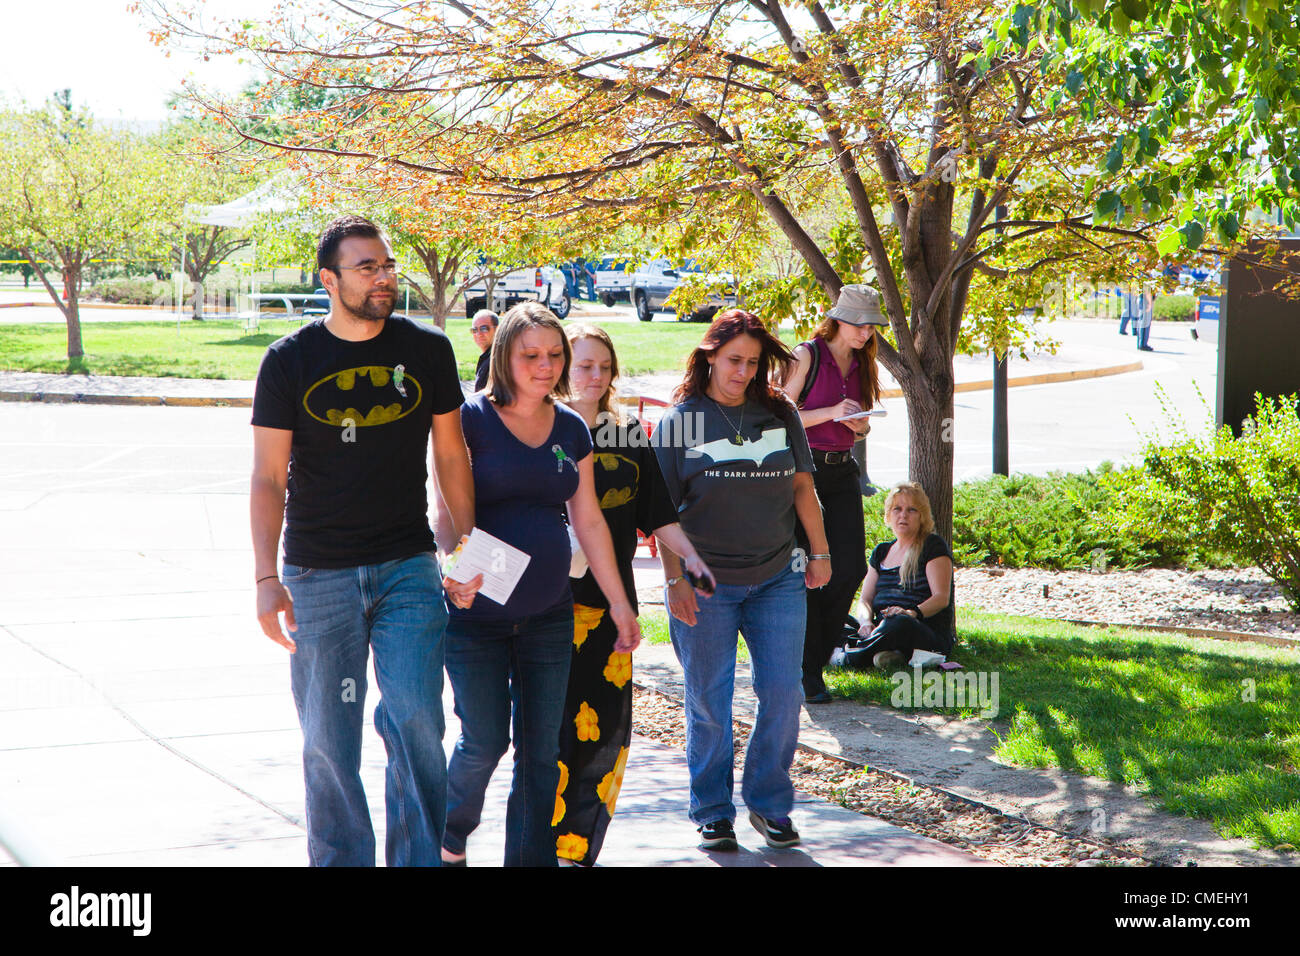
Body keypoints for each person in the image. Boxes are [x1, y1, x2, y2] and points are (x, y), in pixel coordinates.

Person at [251, 214, 482, 866]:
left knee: (417, 719)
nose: (385, 277)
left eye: (387, 265)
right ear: (329, 279)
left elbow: (452, 457)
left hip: (408, 565)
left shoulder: (428, 350)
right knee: (330, 739)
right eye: (367, 267)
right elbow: (268, 478)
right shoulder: (289, 361)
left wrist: (468, 554)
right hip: (318, 574)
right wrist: (267, 580)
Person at [439, 302, 640, 867]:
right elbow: (443, 513)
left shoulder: (573, 427)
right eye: (531, 355)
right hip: (475, 616)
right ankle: (451, 833)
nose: (545, 366)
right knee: (483, 743)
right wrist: (451, 565)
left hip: (550, 614)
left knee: (539, 753)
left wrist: (622, 606)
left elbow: (590, 520)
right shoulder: (467, 418)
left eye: (555, 355)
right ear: (504, 355)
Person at [654, 309, 832, 852]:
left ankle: (769, 803)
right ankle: (712, 809)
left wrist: (820, 552)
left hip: (778, 575)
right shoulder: (681, 420)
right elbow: (661, 512)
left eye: (753, 363)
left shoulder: (779, 414)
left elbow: (803, 489)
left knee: (783, 692)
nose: (743, 372)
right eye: (734, 360)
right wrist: (674, 580)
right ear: (709, 355)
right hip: (705, 582)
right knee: (710, 698)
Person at [554, 325, 715, 865]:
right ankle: (540, 839)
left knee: (603, 734)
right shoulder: (537, 428)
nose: (594, 376)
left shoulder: (627, 434)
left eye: (603, 366)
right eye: (583, 365)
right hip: (545, 609)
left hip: (610, 608)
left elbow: (658, 514)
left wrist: (690, 560)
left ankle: (576, 849)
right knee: (549, 732)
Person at [779, 284, 884, 703]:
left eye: (871, 326)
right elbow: (779, 417)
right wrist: (828, 413)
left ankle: (815, 660)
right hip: (804, 473)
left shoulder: (863, 362)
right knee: (809, 573)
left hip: (843, 473)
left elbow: (862, 422)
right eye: (859, 324)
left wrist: (860, 426)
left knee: (850, 569)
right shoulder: (808, 354)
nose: (865, 333)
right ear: (838, 319)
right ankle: (807, 673)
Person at [850, 481, 954, 670]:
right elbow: (865, 599)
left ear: (922, 516)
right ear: (889, 515)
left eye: (911, 510)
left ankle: (851, 657)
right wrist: (865, 622)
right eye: (897, 509)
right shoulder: (881, 551)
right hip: (882, 628)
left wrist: (911, 612)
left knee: (898, 623)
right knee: (838, 619)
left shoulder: (933, 546)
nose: (903, 515)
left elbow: (941, 598)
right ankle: (890, 655)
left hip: (919, 629)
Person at [471, 308, 500, 391]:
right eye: (474, 330)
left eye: (484, 328)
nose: (478, 334)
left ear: (497, 329)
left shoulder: (497, 360)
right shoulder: (487, 357)